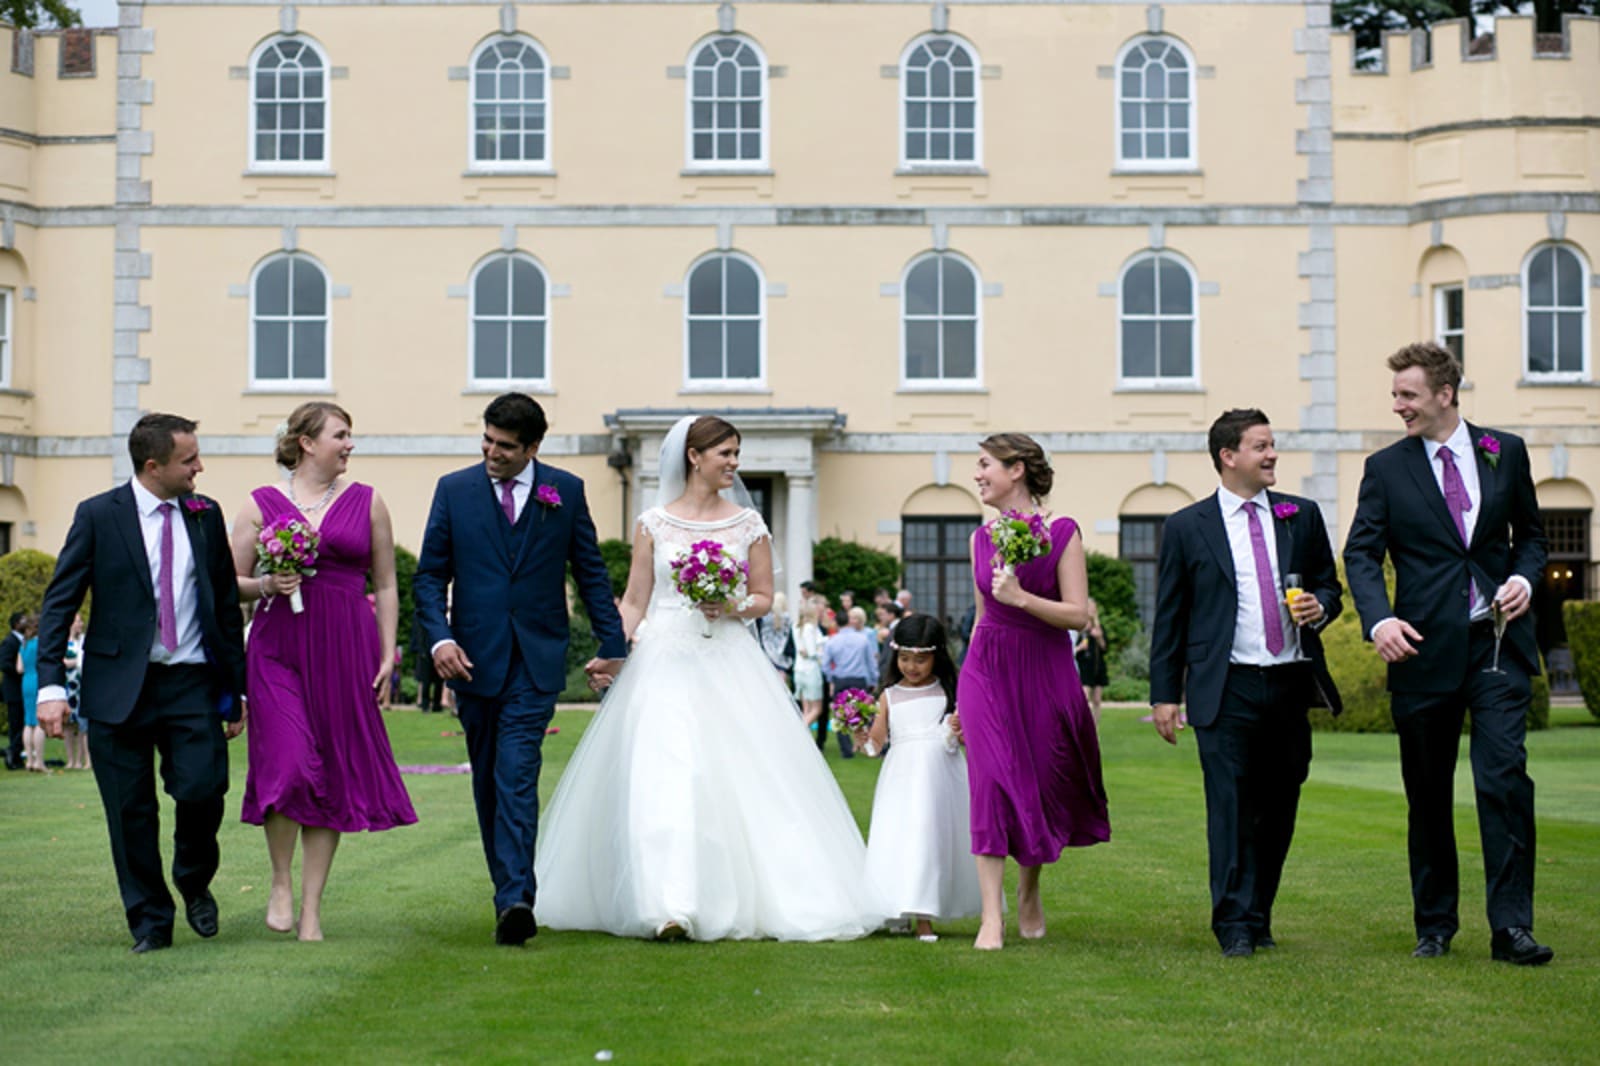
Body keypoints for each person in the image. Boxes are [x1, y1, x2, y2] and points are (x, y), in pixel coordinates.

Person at [534, 415, 880, 942]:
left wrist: (731, 603)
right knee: (665, 773)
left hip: (728, 657)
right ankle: (669, 905)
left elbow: (763, 596)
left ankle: (763, 892)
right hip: (665, 662)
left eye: (737, 454)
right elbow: (634, 600)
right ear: (694, 457)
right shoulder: (652, 522)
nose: (734, 464)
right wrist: (611, 649)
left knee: (747, 773)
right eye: (726, 454)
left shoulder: (747, 524)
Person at [1344, 342, 1552, 966]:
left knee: (1504, 781)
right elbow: (1360, 552)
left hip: (1496, 646)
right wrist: (1378, 619)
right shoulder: (1385, 469)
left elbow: (1532, 539)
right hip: (1420, 652)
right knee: (1428, 793)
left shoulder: (1504, 452)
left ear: (1445, 393)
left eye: (1407, 394)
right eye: (1395, 395)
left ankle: (1511, 928)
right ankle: (1434, 925)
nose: (1397, 405)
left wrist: (1523, 579)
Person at [414, 392, 627, 947]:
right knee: (487, 782)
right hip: (471, 662)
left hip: (535, 661)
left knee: (515, 775)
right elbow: (430, 576)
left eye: (505, 446)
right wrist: (439, 637)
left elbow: (590, 572)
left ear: (533, 447)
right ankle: (508, 888)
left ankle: (515, 900)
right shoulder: (454, 491)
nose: (492, 453)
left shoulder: (567, 491)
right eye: (486, 441)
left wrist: (614, 644)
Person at [35, 413, 247, 954]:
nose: (199, 468)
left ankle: (193, 879)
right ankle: (150, 920)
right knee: (130, 813)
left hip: (192, 682)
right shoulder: (98, 516)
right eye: (189, 460)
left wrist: (236, 689)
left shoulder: (205, 515)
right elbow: (59, 604)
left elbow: (223, 605)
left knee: (203, 790)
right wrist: (51, 686)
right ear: (153, 466)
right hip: (117, 688)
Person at [1148, 409, 1343, 958]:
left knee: (1279, 805)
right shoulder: (1188, 526)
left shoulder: (1299, 516)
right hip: (1224, 685)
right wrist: (1165, 693)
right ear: (1228, 456)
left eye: (1273, 444)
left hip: (1288, 683)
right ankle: (1232, 921)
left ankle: (1259, 914)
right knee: (1230, 806)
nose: (1272, 454)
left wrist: (1319, 606)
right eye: (1261, 446)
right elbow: (1171, 616)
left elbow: (1331, 588)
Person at [229, 401, 417, 941]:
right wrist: (268, 584)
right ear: (308, 443)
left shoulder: (368, 502)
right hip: (276, 649)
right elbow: (228, 580)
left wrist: (386, 654)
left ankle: (311, 907)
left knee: (331, 773)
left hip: (345, 647)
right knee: (287, 764)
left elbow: (384, 583)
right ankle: (280, 882)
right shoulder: (259, 504)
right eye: (341, 435)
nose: (350, 445)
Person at [957, 432, 1109, 951]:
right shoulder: (979, 540)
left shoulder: (1062, 532)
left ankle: (1029, 889)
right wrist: (963, 694)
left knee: (1041, 781)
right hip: (987, 670)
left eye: (985, 465)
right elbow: (980, 619)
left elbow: (1077, 614)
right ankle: (990, 918)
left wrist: (1021, 598)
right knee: (991, 783)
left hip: (1045, 667)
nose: (978, 475)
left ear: (1016, 469)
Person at [855, 614, 980, 942]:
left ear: (936, 657)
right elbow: (875, 746)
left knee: (930, 839)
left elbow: (964, 738)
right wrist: (860, 736)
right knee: (902, 839)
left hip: (940, 775)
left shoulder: (948, 692)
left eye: (920, 660)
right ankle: (898, 908)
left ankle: (925, 915)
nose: (912, 666)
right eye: (905, 658)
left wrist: (957, 730)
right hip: (902, 776)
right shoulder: (889, 696)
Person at [823, 607, 879, 759]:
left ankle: (846, 750)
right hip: (858, 678)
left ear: (836, 623)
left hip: (840, 679)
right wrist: (874, 679)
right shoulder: (862, 639)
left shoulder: (832, 642)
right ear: (849, 621)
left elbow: (825, 665)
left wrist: (831, 679)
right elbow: (871, 662)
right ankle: (864, 744)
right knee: (863, 713)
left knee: (842, 716)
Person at [793, 601, 826, 737]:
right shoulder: (809, 628)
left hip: (799, 670)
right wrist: (824, 647)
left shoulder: (795, 626)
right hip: (810, 671)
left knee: (806, 709)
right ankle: (797, 733)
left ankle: (805, 741)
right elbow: (812, 652)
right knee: (816, 709)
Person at [1074, 599, 1109, 722]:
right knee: (1084, 698)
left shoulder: (1099, 628)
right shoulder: (1081, 628)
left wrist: (1099, 638)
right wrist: (1080, 648)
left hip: (1098, 666)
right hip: (1085, 667)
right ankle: (1082, 725)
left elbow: (1105, 648)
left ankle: (1095, 727)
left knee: (1097, 700)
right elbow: (1073, 648)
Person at [63, 615, 90, 771]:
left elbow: (83, 661)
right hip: (67, 687)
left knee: (83, 725)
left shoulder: (83, 640)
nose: (80, 624)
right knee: (68, 725)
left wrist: (72, 662)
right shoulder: (62, 641)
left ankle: (85, 760)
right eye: (77, 621)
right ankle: (71, 760)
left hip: (81, 686)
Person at [18, 616, 43, 772]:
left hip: (26, 680)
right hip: (37, 679)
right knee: (39, 721)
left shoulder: (24, 644)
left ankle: (29, 760)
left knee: (28, 722)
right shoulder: (40, 643)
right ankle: (39, 762)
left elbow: (19, 668)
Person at [2, 611, 23, 770]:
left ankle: (16, 754)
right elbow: (3, 663)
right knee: (16, 723)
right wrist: (18, 671)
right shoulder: (10, 642)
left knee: (21, 723)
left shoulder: (22, 641)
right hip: (13, 689)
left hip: (21, 689)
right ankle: (12, 753)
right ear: (16, 624)